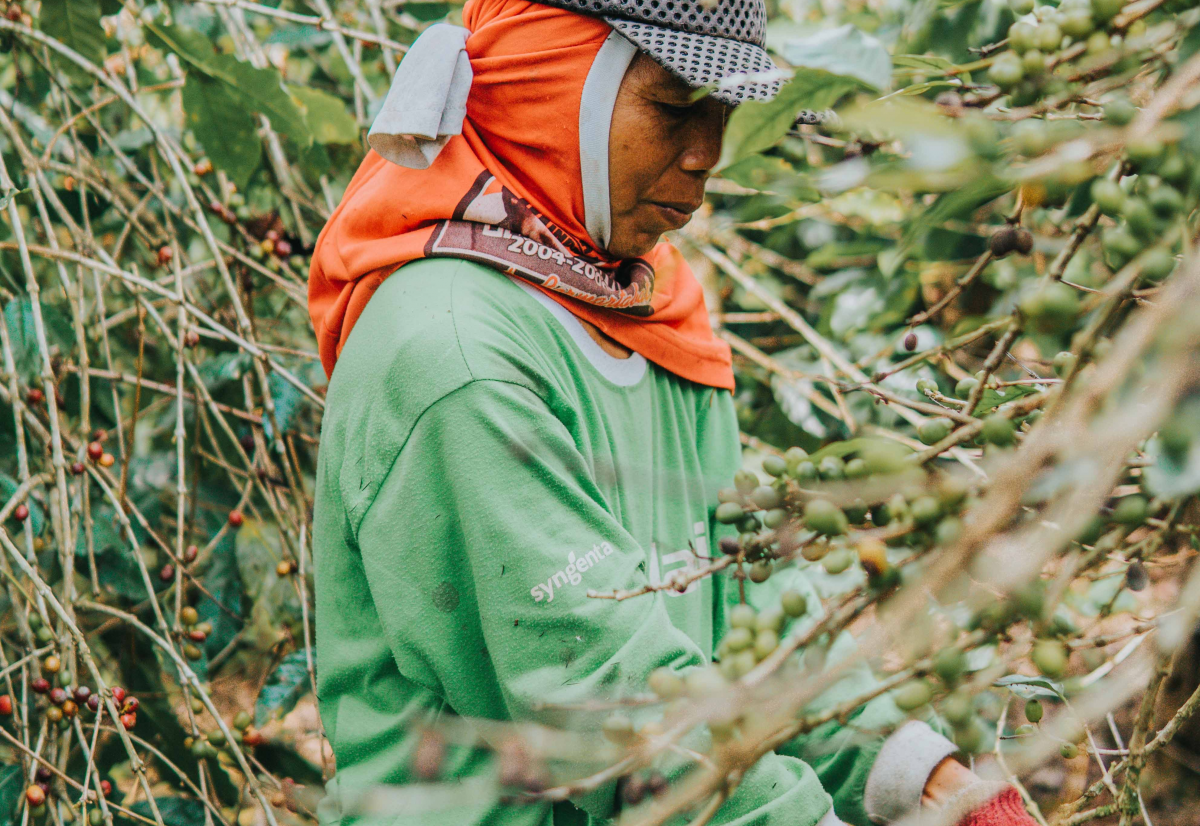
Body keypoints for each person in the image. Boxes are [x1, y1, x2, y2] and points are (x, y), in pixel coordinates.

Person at [307, 1, 1040, 825]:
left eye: (724, 113)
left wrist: (922, 773)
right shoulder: (455, 354)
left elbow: (749, 598)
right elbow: (606, 703)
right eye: (674, 107)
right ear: (551, 85)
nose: (707, 155)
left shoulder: (649, 309)